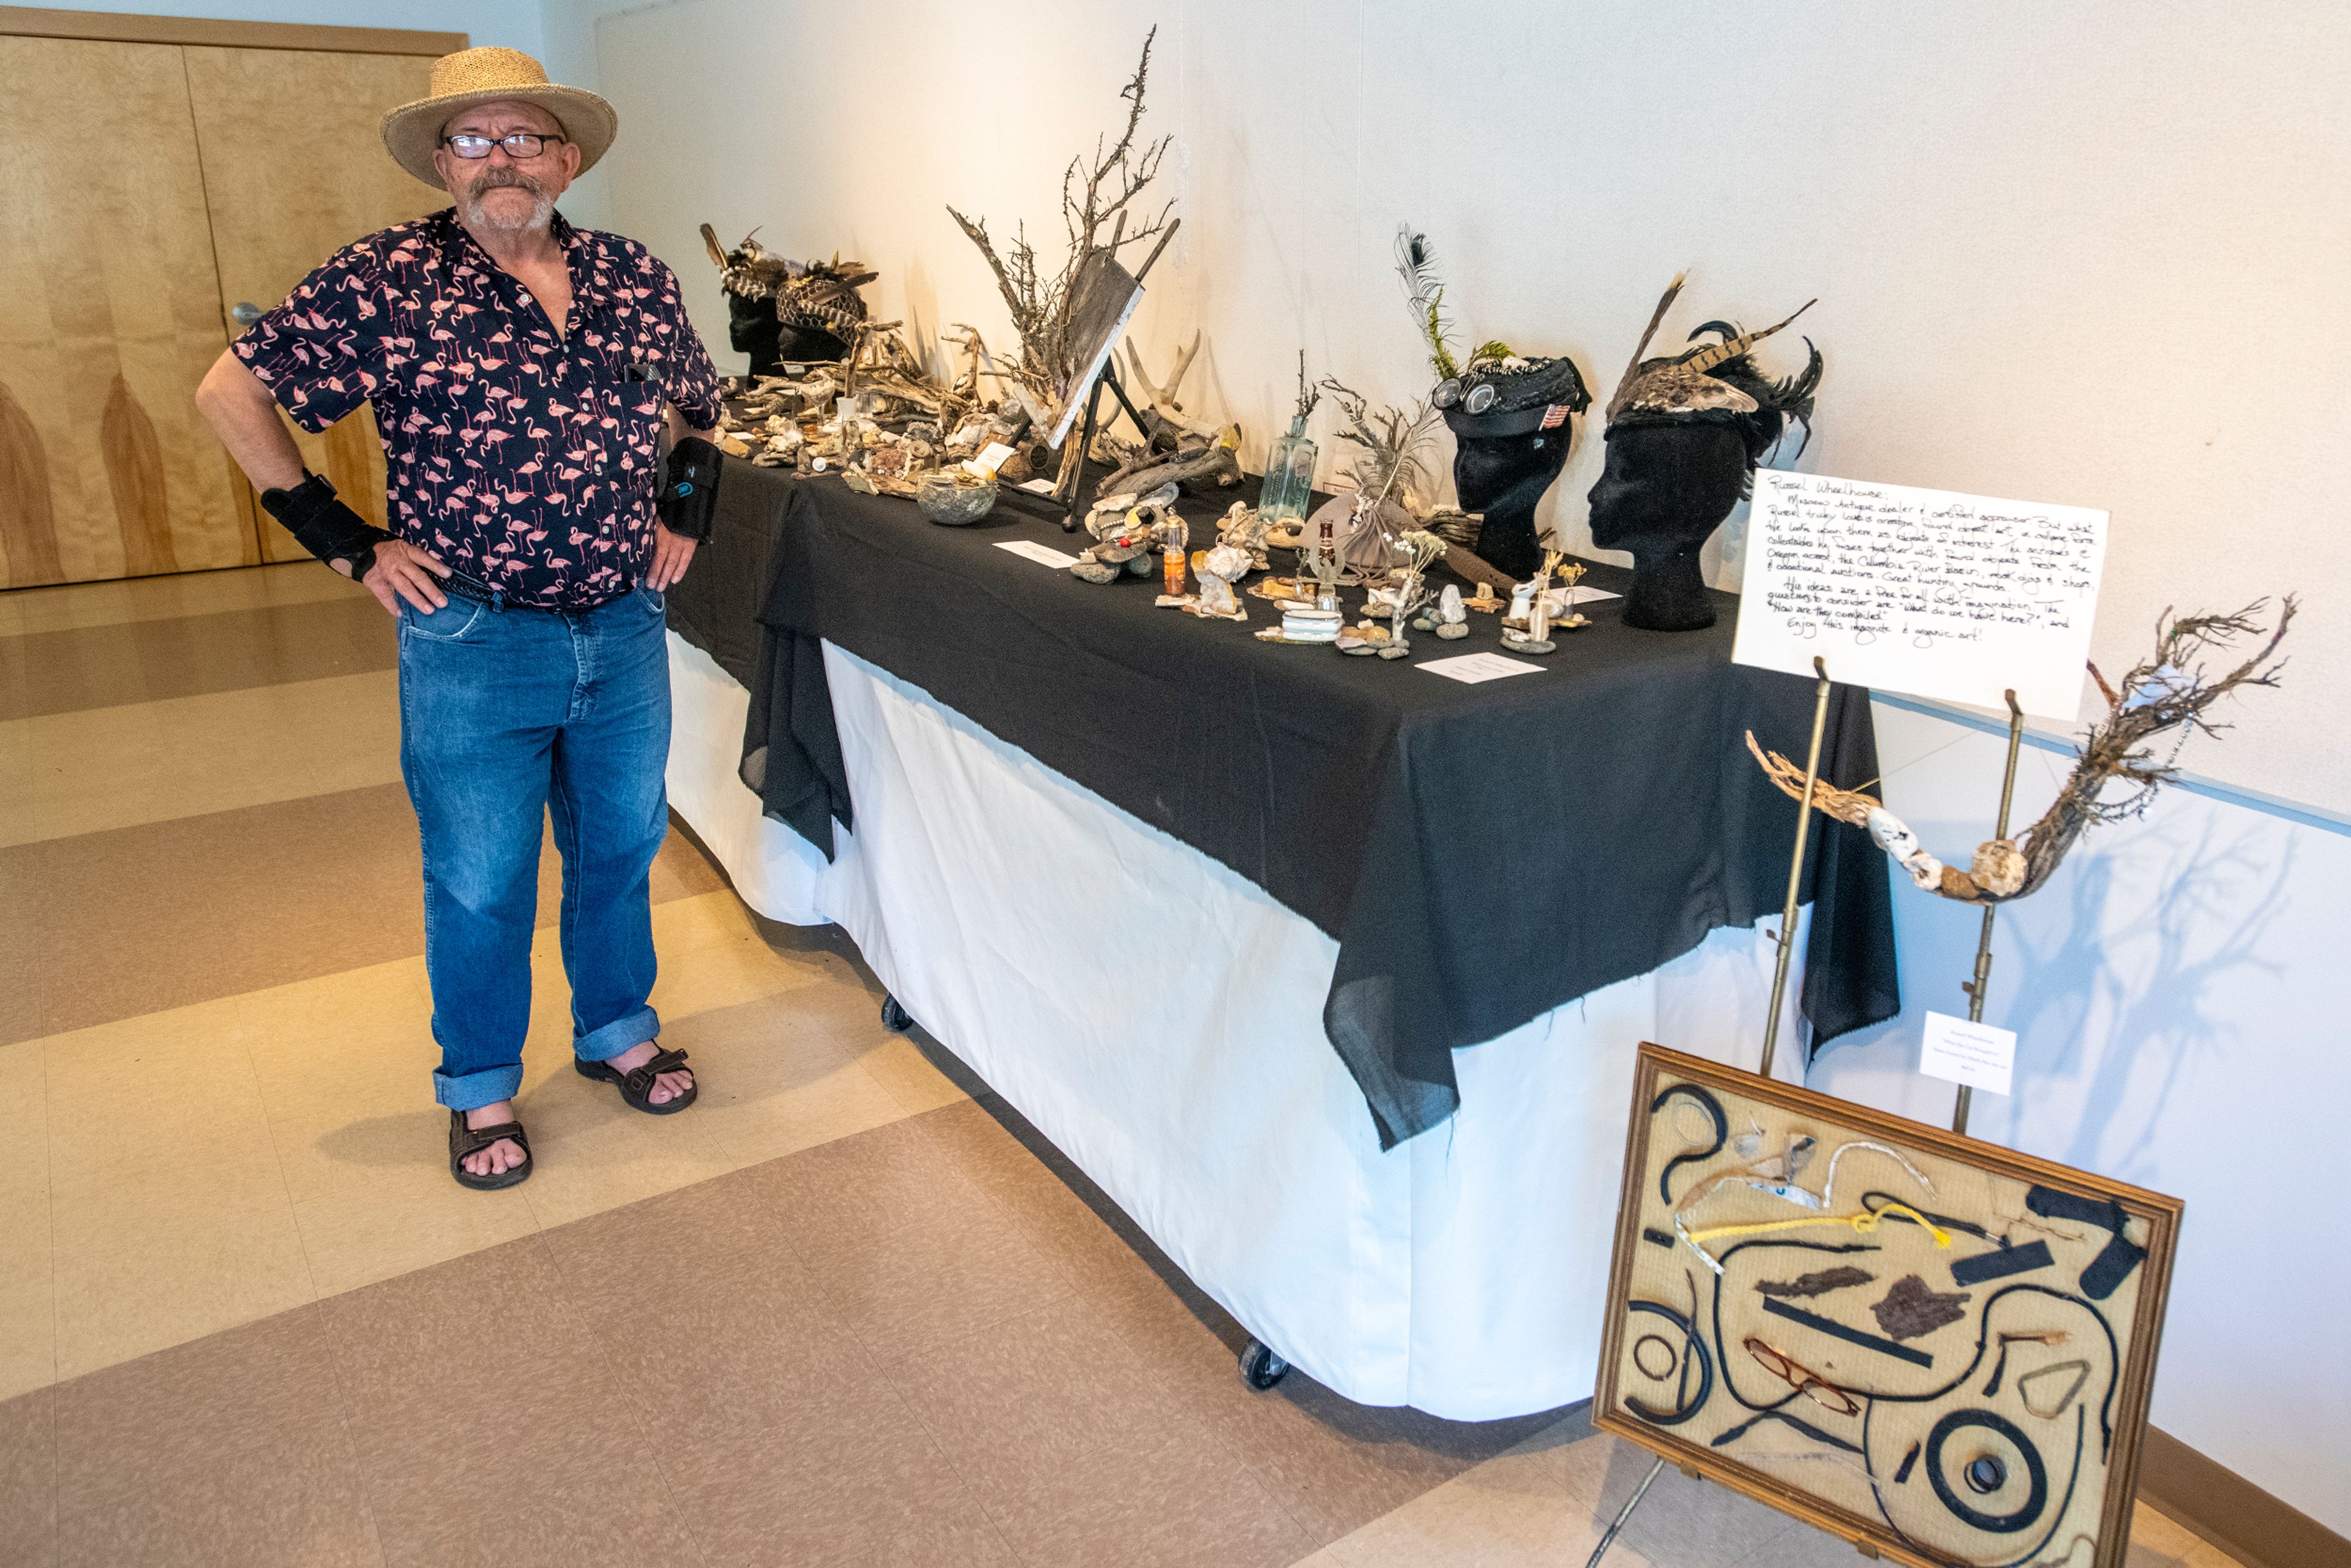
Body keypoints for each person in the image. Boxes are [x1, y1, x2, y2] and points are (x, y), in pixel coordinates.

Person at [197, 47, 728, 1189]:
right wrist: (345, 539)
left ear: (566, 159)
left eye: (524, 139)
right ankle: (481, 1084)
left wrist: (685, 503)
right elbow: (228, 390)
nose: (502, 161)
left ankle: (615, 1030)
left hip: (623, 621)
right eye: (474, 142)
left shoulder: (632, 274)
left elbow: (698, 400)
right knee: (482, 871)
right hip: (473, 635)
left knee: (622, 843)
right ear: (441, 163)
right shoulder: (385, 277)